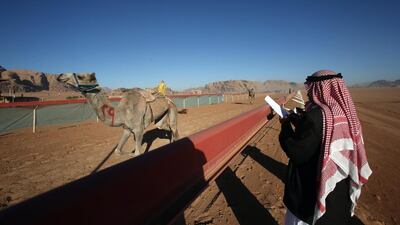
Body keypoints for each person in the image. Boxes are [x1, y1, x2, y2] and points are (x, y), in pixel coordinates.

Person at [279, 70, 372, 225]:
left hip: (310, 191)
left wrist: (285, 126)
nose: (308, 93)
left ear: (320, 88)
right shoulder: (343, 112)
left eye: (311, 88)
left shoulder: (317, 116)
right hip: (338, 186)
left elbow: (296, 151)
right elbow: (318, 133)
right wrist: (297, 119)